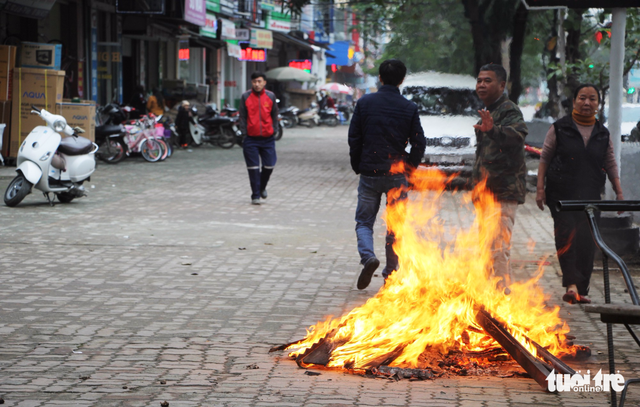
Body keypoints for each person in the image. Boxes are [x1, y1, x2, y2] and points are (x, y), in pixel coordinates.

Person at [536, 84, 624, 304]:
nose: (587, 103)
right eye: (582, 98)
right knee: (566, 237)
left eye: (592, 99)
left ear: (598, 103)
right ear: (574, 101)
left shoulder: (602, 133)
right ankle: (571, 285)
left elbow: (610, 163)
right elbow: (545, 158)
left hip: (590, 196)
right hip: (561, 196)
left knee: (588, 242)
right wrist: (540, 189)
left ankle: (581, 289)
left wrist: (619, 192)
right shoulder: (559, 128)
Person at [348, 59, 426, 290]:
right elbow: (419, 143)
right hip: (396, 174)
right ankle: (390, 276)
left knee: (364, 221)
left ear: (380, 78)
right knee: (396, 227)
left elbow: (354, 138)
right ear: (402, 80)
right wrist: (409, 168)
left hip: (370, 172)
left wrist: (358, 165)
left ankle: (368, 256)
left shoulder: (364, 103)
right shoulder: (408, 108)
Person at [473, 63, 528, 292]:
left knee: (498, 247)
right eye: (479, 80)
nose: (482, 85)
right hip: (486, 191)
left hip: (503, 191)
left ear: (502, 85)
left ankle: (500, 299)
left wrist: (494, 130)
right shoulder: (488, 110)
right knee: (487, 245)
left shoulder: (508, 109)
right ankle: (490, 292)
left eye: (488, 80)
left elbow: (517, 137)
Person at [238, 72, 279, 205]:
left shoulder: (270, 96)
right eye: (254, 81)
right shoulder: (245, 96)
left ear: (264, 82)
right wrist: (244, 133)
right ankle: (255, 195)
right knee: (253, 168)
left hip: (268, 138)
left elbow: (275, 115)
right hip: (251, 139)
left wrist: (274, 130)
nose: (257, 84)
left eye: (259, 81)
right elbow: (242, 117)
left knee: (269, 165)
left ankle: (262, 187)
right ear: (251, 83)